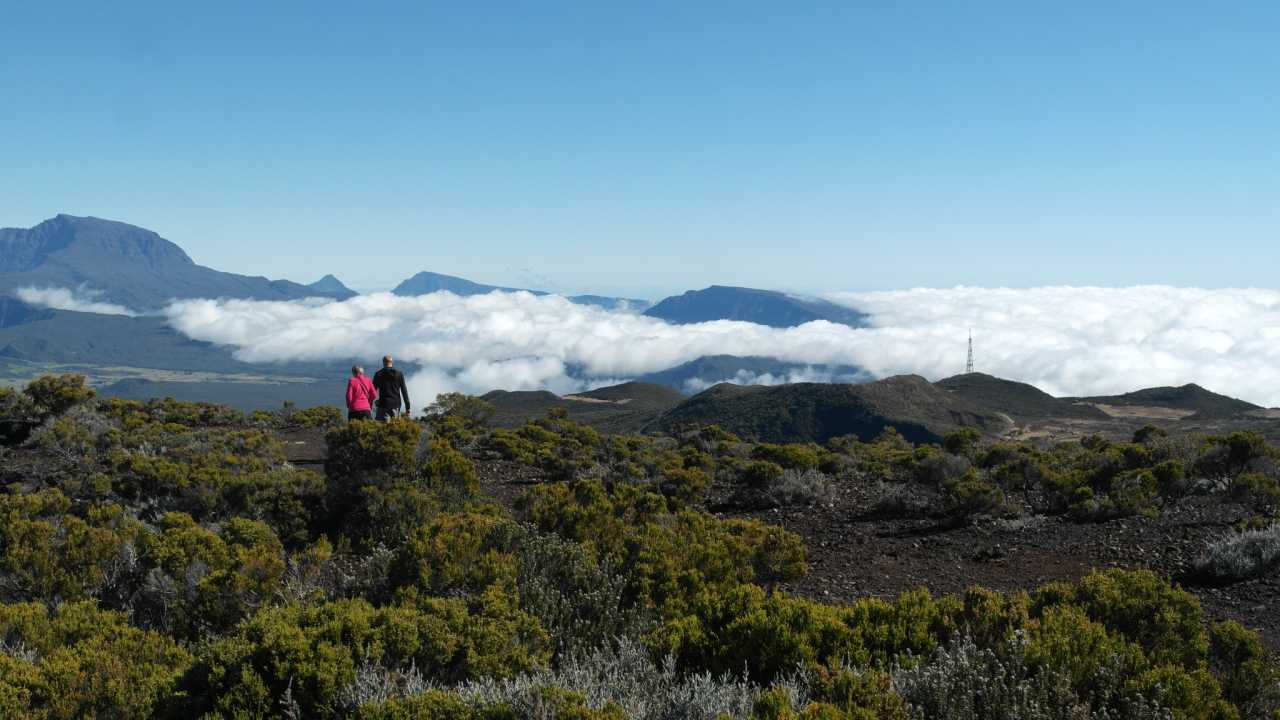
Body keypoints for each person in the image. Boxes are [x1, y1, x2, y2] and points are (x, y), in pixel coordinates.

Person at [372, 355, 410, 421]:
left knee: (381, 427)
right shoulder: (399, 374)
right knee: (394, 427)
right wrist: (408, 407)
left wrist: (370, 404)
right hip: (396, 404)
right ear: (392, 362)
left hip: (383, 405)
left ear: (383, 362)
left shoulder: (378, 374)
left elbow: (372, 391)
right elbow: (404, 391)